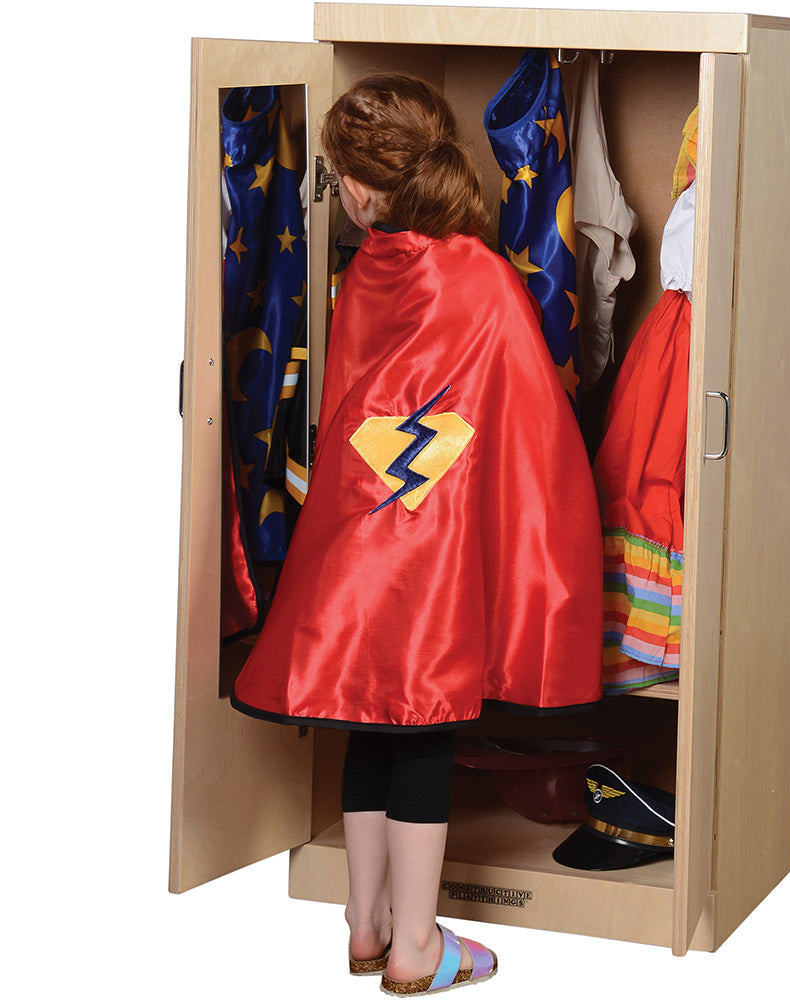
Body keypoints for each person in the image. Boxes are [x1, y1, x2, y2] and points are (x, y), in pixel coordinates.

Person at [230, 73, 603, 996]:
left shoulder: (364, 274)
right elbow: (532, 430)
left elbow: (353, 413)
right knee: (425, 733)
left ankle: (366, 927)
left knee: (367, 726)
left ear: (360, 189)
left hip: (351, 554)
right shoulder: (479, 276)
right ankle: (417, 949)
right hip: (432, 561)